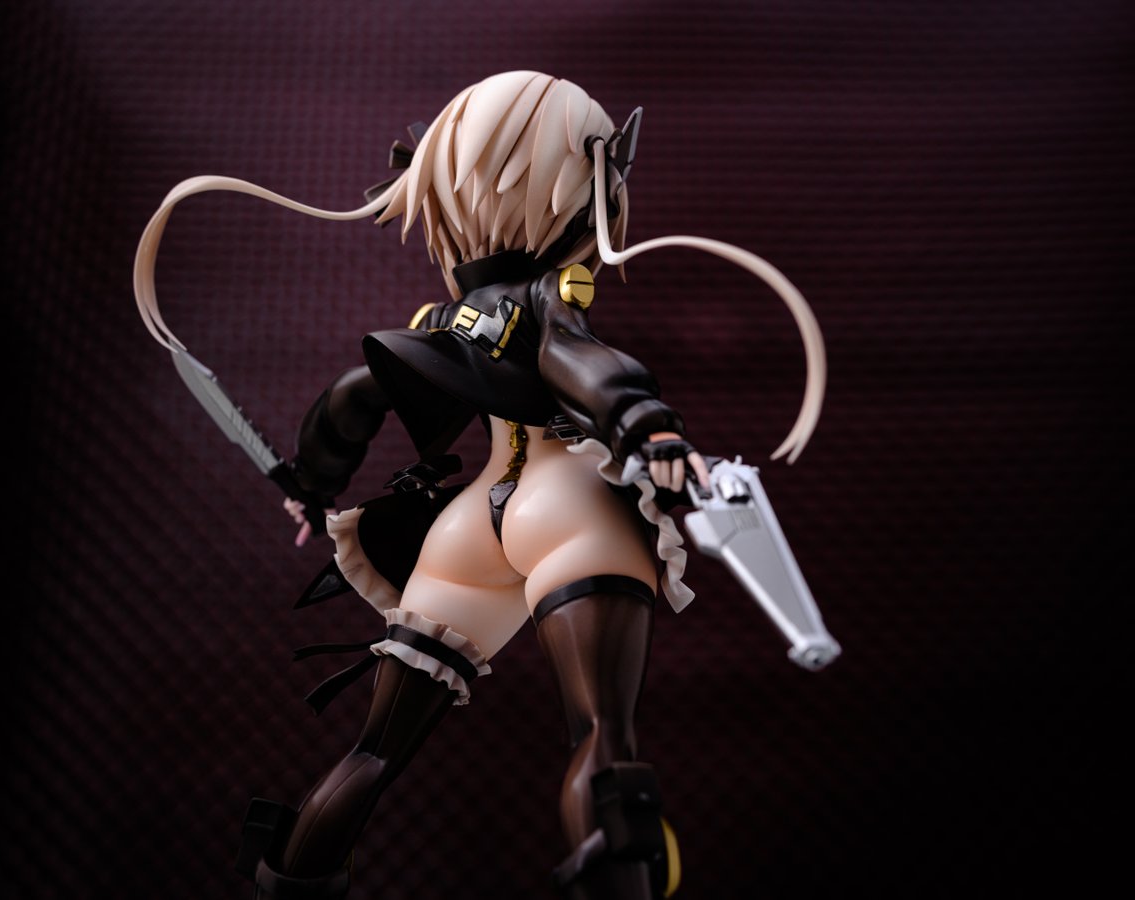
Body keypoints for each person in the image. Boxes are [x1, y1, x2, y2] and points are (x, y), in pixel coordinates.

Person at [134, 71, 826, 900]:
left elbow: (356, 396)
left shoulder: (439, 322)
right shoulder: (548, 294)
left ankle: (291, 881)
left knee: (374, 750)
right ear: (583, 181)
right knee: (599, 734)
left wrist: (313, 484)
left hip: (468, 529)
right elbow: (574, 357)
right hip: (567, 504)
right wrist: (648, 425)